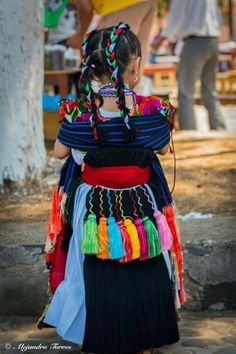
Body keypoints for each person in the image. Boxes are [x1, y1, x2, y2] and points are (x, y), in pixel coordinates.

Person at [38, 23, 185, 354]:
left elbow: (61, 153)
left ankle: (95, 332)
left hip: (93, 210)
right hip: (142, 206)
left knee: (86, 268)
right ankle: (146, 332)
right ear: (133, 69)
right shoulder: (152, 111)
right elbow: (162, 149)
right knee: (151, 263)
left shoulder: (78, 114)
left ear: (92, 68)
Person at [152, 0, 226, 130]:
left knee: (186, 92)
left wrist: (159, 42)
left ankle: (188, 131)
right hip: (213, 41)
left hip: (194, 42)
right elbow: (218, 18)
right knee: (210, 90)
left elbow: (175, 19)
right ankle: (219, 128)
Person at [68, 0, 157, 67]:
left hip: (118, 5)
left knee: (107, 69)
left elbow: (85, 8)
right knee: (134, 68)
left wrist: (80, 35)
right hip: (148, 3)